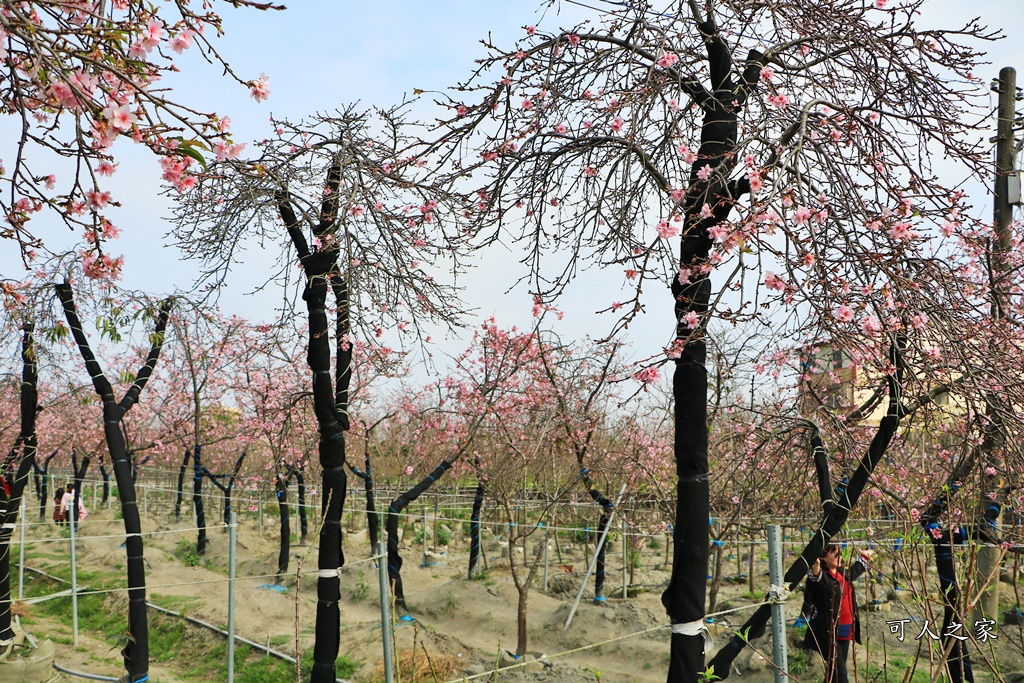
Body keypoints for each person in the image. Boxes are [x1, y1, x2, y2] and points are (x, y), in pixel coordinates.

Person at [803, 542, 873, 683]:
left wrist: (865, 556)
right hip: (828, 631)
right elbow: (813, 581)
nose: (839, 556)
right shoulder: (822, 576)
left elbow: (855, 570)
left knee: (833, 673)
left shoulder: (842, 572)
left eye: (840, 553)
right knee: (841, 676)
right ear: (823, 558)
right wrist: (815, 567)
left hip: (845, 629)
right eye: (835, 554)